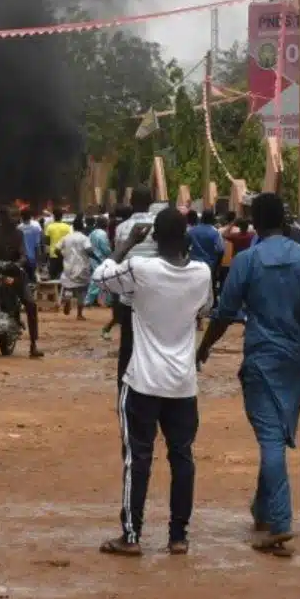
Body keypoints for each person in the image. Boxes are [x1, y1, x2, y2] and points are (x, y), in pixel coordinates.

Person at [197, 192, 300, 556]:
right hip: (297, 362)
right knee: (278, 432)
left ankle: (281, 523)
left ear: (254, 222)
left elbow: (224, 313)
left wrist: (204, 348)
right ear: (286, 222)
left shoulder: (247, 260)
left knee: (271, 439)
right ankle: (262, 510)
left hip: (261, 359)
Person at [92, 207, 214, 556]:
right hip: (182, 384)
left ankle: (131, 535)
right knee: (182, 457)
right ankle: (178, 536)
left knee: (137, 458)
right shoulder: (202, 274)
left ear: (154, 239)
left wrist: (127, 244)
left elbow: (101, 277)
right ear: (186, 238)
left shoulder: (142, 268)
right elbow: (204, 309)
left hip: (143, 380)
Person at [109, 189, 156, 389]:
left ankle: (124, 390)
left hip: (128, 294)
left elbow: (117, 258)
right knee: (153, 346)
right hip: (155, 294)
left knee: (127, 347)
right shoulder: (158, 224)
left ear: (131, 202)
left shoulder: (122, 228)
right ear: (151, 202)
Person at [0, 207, 43, 358]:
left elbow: (23, 254)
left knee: (30, 304)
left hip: (13, 273)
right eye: (7, 217)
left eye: (13, 217)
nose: (10, 221)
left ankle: (33, 345)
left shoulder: (18, 234)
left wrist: (18, 264)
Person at [58, 214, 92, 319]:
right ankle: (79, 314)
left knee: (68, 286)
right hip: (82, 267)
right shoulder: (84, 238)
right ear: (82, 227)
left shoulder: (66, 237)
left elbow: (56, 249)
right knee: (82, 291)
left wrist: (64, 256)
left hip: (68, 266)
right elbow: (89, 250)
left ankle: (67, 298)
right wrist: (94, 256)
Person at [84, 215, 112, 308]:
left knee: (100, 280)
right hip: (100, 259)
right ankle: (88, 301)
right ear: (104, 223)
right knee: (98, 280)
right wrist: (111, 255)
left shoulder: (93, 233)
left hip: (93, 259)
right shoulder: (102, 234)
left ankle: (106, 301)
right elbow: (105, 249)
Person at [43, 208, 72, 281]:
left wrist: (46, 256)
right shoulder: (67, 227)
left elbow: (47, 243)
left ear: (54, 216)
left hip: (53, 255)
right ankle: (62, 291)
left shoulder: (50, 227)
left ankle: (56, 291)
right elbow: (70, 241)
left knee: (53, 277)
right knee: (65, 276)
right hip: (64, 255)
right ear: (62, 216)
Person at [19, 207, 44, 281]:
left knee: (24, 279)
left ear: (21, 217)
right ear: (30, 216)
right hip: (33, 257)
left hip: (22, 258)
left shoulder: (19, 228)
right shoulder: (36, 226)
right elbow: (38, 243)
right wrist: (40, 260)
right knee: (34, 278)